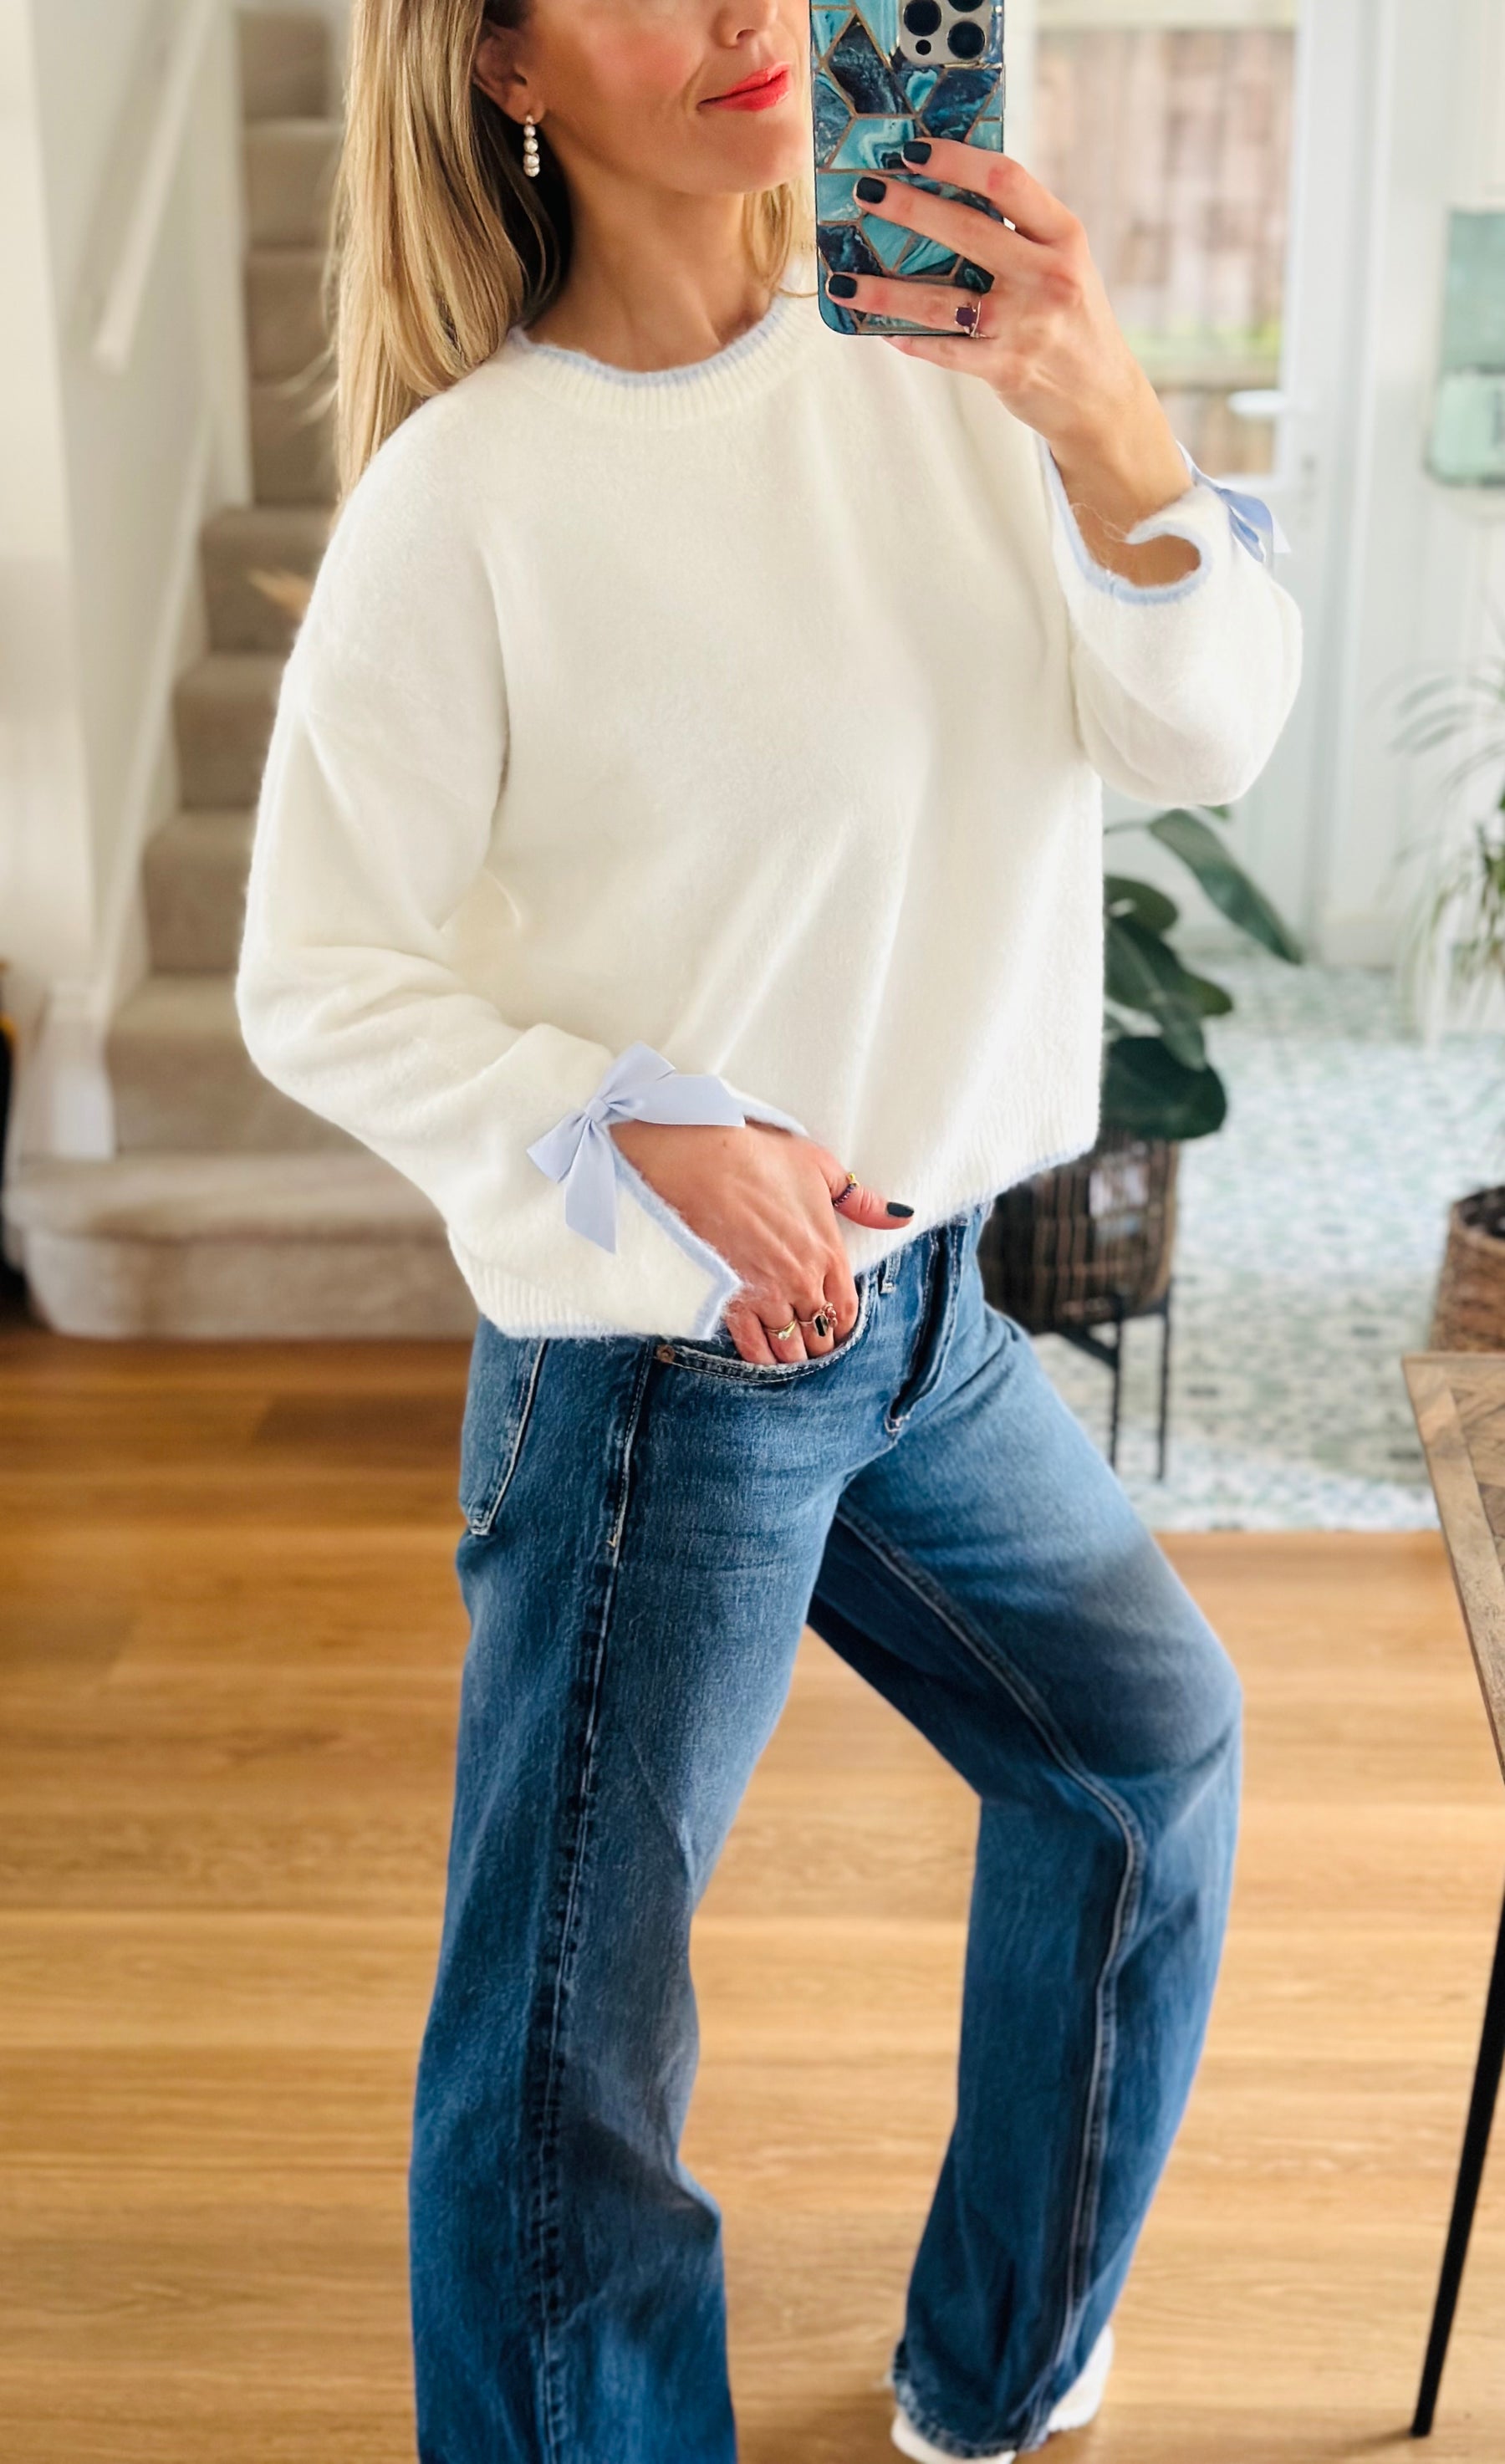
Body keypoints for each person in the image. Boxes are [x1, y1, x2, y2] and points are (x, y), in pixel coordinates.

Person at [233, 3, 1302, 2458]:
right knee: (566, 2059)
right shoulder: (469, 497)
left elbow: (1200, 733)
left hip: (922, 1315)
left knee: (1147, 1754)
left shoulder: (949, 381)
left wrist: (1107, 413)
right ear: (505, 70)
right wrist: (637, 1127)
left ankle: (999, 2355)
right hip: (664, 1374)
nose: (738, 12)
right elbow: (317, 968)